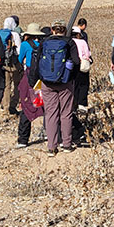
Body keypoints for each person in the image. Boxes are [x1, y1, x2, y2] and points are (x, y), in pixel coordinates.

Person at [30, 20, 80, 156]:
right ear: (65, 30)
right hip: (65, 83)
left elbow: (36, 61)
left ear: (52, 30)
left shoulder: (44, 43)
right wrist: (71, 78)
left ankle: (52, 147)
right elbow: (76, 62)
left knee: (51, 114)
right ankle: (67, 144)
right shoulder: (69, 42)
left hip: (47, 82)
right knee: (66, 113)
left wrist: (34, 81)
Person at [15, 24, 46, 148]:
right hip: (42, 77)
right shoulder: (43, 45)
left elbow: (19, 59)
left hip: (29, 75)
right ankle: (49, 132)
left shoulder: (25, 45)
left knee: (27, 106)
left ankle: (23, 139)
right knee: (45, 104)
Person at [0, 16, 23, 116]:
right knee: (17, 85)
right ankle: (13, 105)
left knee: (6, 86)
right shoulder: (15, 34)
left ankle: (5, 107)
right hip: (14, 64)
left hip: (3, 64)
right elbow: (19, 51)